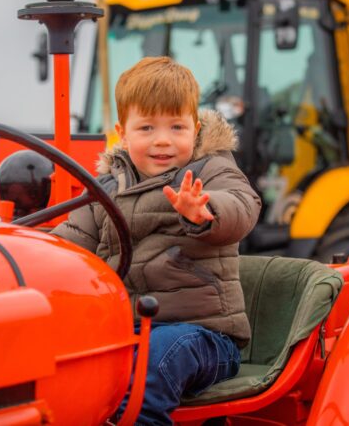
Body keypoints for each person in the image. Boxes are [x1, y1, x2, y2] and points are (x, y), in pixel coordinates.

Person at [52, 56, 261, 424]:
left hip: (205, 337)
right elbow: (69, 243)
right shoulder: (105, 189)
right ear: (122, 132)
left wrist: (203, 210)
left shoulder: (209, 171)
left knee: (161, 355)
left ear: (195, 128)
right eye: (147, 127)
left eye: (177, 126)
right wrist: (22, 251)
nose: (162, 140)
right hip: (127, 329)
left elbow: (243, 206)